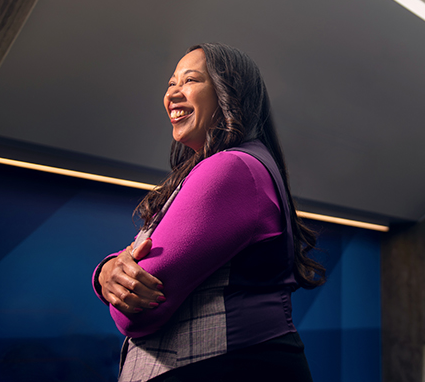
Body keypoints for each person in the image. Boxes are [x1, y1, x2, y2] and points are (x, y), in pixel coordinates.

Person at [92, 43, 326, 382]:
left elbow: (135, 315)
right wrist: (106, 272)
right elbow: (133, 265)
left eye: (190, 80)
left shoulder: (230, 168)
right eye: (171, 83)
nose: (172, 93)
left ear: (228, 93)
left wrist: (112, 275)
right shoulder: (236, 167)